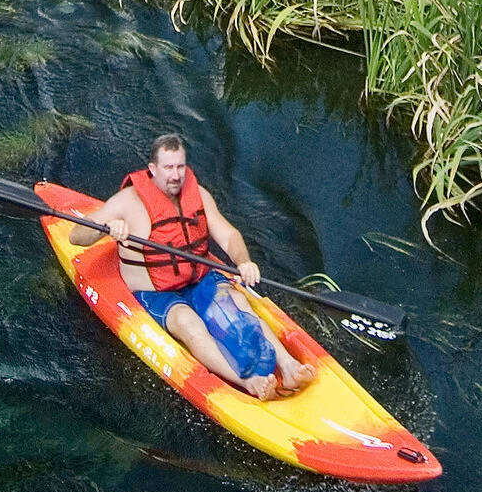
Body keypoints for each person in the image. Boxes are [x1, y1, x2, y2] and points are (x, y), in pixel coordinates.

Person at [73, 134, 315, 401]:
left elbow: (228, 235)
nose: (176, 175)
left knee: (238, 301)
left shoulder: (198, 194)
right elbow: (76, 236)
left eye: (180, 167)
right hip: (157, 293)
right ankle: (249, 382)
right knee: (188, 322)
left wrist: (243, 261)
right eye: (168, 168)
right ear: (152, 169)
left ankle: (289, 365)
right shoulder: (126, 202)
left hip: (198, 279)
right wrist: (104, 229)